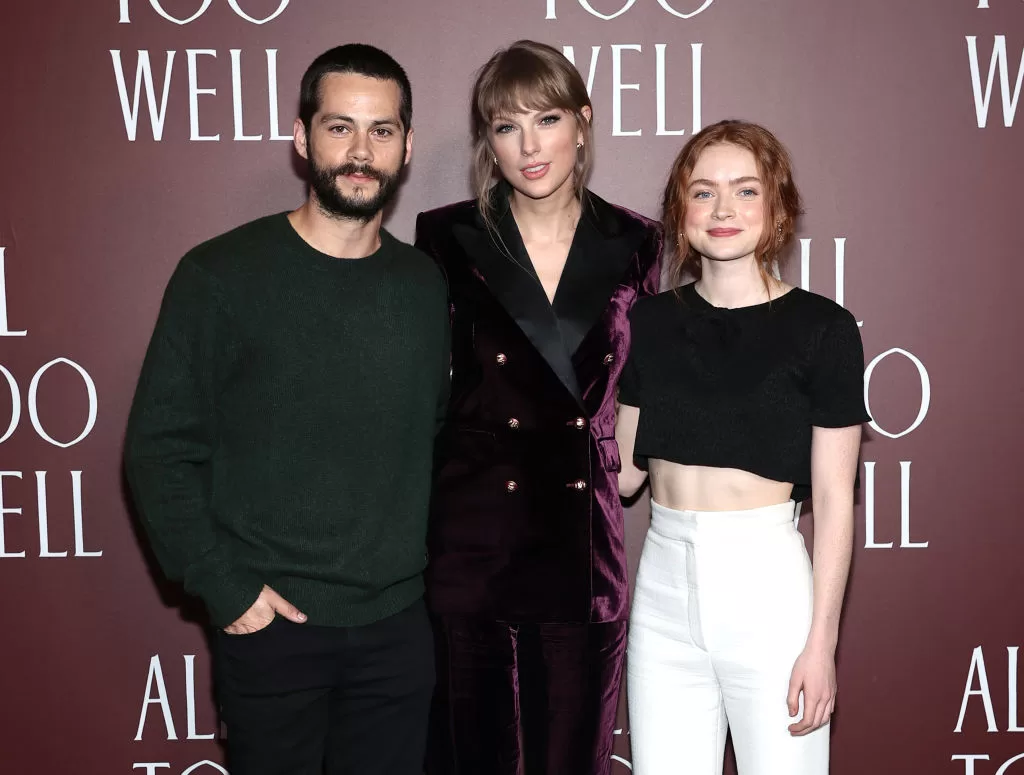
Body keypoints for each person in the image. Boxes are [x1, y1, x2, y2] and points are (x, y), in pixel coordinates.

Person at [124, 44, 448, 775]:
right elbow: (158, 448)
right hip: (272, 630)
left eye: (382, 131)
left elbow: (430, 436)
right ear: (302, 139)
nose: (361, 151)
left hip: (397, 633)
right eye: (339, 128)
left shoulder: (425, 286)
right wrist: (229, 589)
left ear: (406, 147)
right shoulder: (219, 275)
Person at [415, 39, 662, 775]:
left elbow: (645, 378)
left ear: (583, 122)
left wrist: (626, 464)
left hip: (581, 543)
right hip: (473, 538)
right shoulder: (448, 236)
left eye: (546, 119)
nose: (528, 146)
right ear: (486, 139)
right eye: (505, 126)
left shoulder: (636, 241)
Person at [616, 119, 868, 775]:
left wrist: (822, 643)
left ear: (777, 205)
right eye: (703, 192)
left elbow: (836, 501)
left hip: (771, 595)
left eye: (745, 190)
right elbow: (621, 477)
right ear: (680, 210)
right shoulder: (648, 321)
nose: (723, 209)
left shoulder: (825, 328)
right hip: (664, 591)